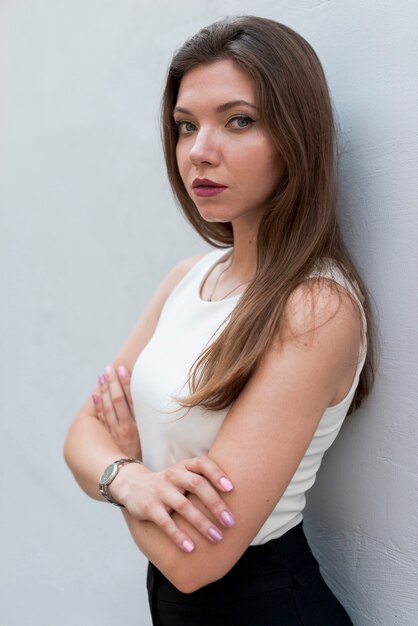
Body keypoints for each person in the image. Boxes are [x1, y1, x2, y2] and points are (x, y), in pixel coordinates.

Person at [64, 15, 377, 626]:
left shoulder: (315, 307)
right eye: (186, 126)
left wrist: (118, 472)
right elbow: (81, 435)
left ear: (296, 135)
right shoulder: (188, 278)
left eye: (238, 121)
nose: (199, 151)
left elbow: (195, 559)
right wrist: (131, 479)